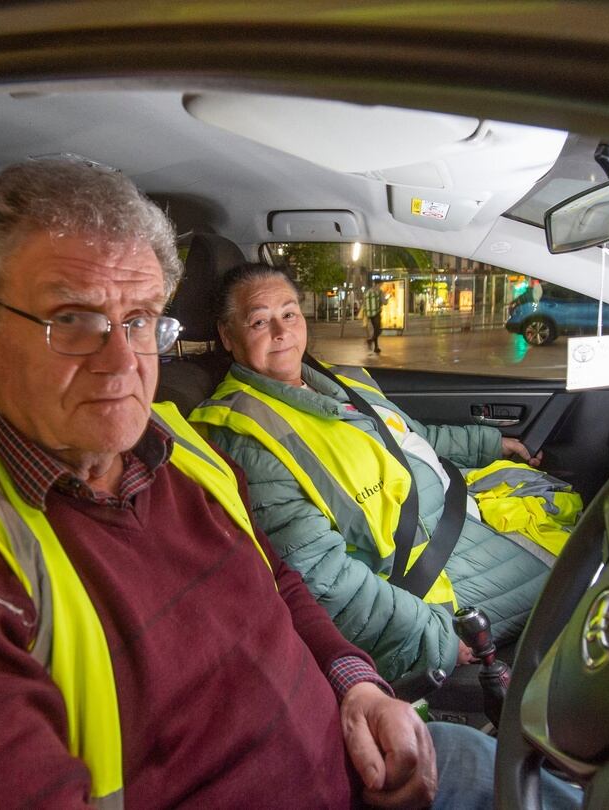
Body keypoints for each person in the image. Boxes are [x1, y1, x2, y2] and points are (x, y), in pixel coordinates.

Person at [0, 161, 529, 809]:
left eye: (140, 319)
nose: (121, 364)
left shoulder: (178, 446)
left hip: (358, 764)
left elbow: (280, 584)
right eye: (74, 320)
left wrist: (356, 685)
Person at [190, 263, 567, 684]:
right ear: (228, 335)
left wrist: (490, 445)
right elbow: (319, 577)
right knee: (579, 578)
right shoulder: (242, 433)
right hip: (427, 588)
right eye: (260, 320)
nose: (281, 331)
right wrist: (433, 639)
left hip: (458, 515)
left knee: (576, 518)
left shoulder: (340, 379)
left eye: (289, 313)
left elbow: (409, 438)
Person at [364, 277, 387, 354]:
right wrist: (387, 299)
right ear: (379, 284)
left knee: (375, 330)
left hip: (369, 314)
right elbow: (384, 302)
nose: (381, 285)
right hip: (376, 313)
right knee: (379, 330)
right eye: (381, 284)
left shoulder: (368, 291)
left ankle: (376, 347)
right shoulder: (380, 292)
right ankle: (370, 340)